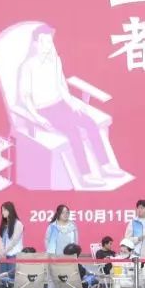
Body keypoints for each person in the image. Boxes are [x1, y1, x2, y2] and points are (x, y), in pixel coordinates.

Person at [18, 23, 119, 184]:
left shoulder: (55, 60)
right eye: (44, 41)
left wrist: (72, 103)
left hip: (61, 104)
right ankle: (86, 175)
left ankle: (105, 166)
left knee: (90, 123)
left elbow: (61, 86)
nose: (48, 45)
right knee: (74, 132)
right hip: (44, 110)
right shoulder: (27, 66)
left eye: (50, 41)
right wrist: (37, 117)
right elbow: (25, 97)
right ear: (35, 44)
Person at [45, 204, 78, 288]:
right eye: (63, 212)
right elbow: (49, 243)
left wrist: (75, 255)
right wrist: (52, 256)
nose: (66, 214)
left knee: (70, 281)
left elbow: (75, 242)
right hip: (55, 258)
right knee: (52, 281)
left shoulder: (72, 226)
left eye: (67, 212)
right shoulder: (53, 226)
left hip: (69, 259)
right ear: (58, 213)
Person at [0, 201, 25, 281]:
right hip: (3, 256)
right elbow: (0, 240)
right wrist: (2, 252)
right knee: (2, 279)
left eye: (4, 210)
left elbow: (14, 241)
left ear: (10, 210)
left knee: (12, 280)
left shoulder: (18, 224)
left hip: (14, 256)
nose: (2, 212)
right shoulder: (3, 225)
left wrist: (4, 251)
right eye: (2, 210)